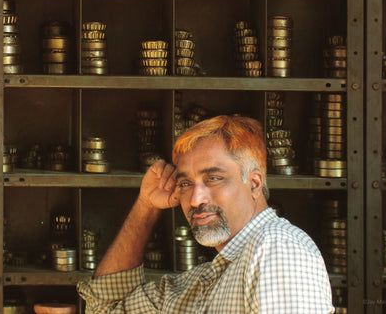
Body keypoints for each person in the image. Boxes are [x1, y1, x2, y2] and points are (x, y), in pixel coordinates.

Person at [77, 115, 334, 313]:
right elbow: (105, 307)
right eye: (186, 183)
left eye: (213, 178)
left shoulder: (277, 251)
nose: (196, 199)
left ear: (254, 183)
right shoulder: (207, 278)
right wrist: (147, 205)